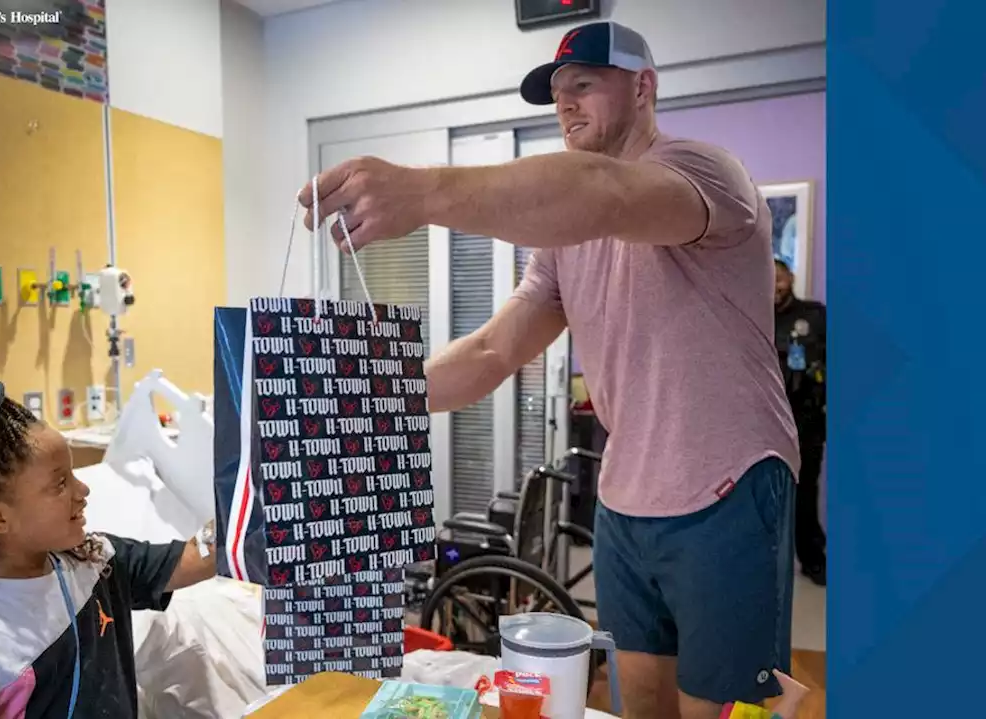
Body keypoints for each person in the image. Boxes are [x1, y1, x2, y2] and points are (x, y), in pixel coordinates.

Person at [299, 21, 801, 719]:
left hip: (727, 487)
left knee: (722, 710)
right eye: (558, 93)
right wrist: (372, 398)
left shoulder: (705, 173)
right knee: (641, 704)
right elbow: (491, 352)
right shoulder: (567, 244)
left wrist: (422, 193)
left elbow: (605, 192)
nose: (566, 105)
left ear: (644, 88)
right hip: (627, 500)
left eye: (584, 86)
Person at [0, 375, 216, 718]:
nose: (82, 490)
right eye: (60, 483)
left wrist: (246, 506)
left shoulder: (94, 562)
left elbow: (193, 559)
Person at [774, 259, 827, 586]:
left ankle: (812, 559)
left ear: (790, 278)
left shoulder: (815, 315)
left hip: (806, 421)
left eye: (779, 279)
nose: (774, 286)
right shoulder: (750, 315)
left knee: (805, 495)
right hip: (765, 425)